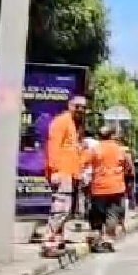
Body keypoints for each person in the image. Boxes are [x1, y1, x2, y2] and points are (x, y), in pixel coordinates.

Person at [42, 95, 87, 258]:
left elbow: (74, 151)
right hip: (62, 173)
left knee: (66, 209)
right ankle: (49, 242)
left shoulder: (74, 126)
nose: (81, 109)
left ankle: (57, 241)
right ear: (69, 105)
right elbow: (53, 146)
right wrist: (55, 171)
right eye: (77, 106)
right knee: (61, 208)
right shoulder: (61, 122)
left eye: (83, 107)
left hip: (70, 173)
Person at [85, 125, 132, 253]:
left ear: (99, 136)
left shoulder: (95, 149)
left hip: (98, 188)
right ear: (112, 135)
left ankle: (97, 239)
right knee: (112, 215)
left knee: (98, 215)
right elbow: (129, 168)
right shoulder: (120, 150)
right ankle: (108, 241)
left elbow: (84, 162)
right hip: (116, 188)